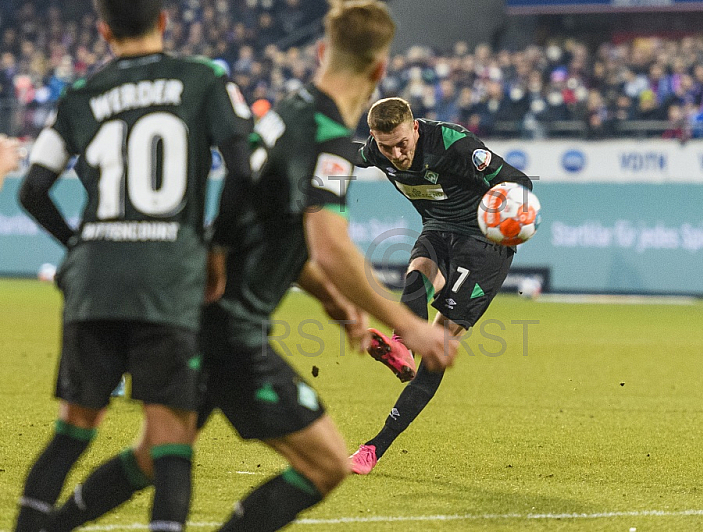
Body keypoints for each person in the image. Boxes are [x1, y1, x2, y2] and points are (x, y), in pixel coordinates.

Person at [41, 1, 457, 531]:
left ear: (322, 51)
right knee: (326, 463)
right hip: (233, 327)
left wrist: (337, 307)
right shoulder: (329, 136)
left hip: (200, 309)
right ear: (378, 71)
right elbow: (329, 245)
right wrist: (409, 326)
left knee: (151, 457)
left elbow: (278, 233)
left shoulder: (288, 110)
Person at [14, 0, 253, 529]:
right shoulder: (204, 79)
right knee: (170, 441)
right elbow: (243, 170)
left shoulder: (81, 94)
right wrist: (216, 248)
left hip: (94, 282)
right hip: (167, 280)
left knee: (72, 432)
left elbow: (32, 190)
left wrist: (78, 246)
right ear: (163, 21)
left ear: (103, 31)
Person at [349, 96, 533, 474]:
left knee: (439, 348)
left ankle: (375, 446)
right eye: (387, 147)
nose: (397, 154)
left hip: (485, 245)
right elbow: (347, 153)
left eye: (403, 143)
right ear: (374, 138)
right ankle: (402, 348)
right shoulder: (377, 151)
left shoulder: (452, 143)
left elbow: (519, 182)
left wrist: (512, 220)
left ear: (415, 127)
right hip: (439, 229)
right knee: (417, 274)